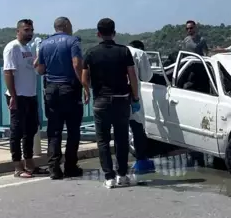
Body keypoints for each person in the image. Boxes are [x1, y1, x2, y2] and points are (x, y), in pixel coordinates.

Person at [82, 18, 140, 188]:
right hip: (121, 100)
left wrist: (87, 91)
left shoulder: (91, 53)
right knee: (121, 139)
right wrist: (135, 97)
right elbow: (132, 76)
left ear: (98, 34)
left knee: (103, 140)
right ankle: (122, 174)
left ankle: (109, 177)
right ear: (114, 33)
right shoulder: (124, 51)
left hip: (101, 101)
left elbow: (84, 77)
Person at [35, 17, 85, 180]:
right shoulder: (73, 42)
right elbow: (77, 64)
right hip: (69, 89)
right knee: (73, 130)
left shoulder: (44, 43)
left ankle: (54, 168)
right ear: (65, 26)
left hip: (51, 89)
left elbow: (40, 69)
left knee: (54, 130)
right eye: (70, 25)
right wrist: (84, 85)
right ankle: (70, 166)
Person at [3, 19, 39, 178]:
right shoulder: (13, 48)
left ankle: (29, 164)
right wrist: (13, 96)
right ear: (18, 31)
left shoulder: (28, 48)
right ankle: (18, 167)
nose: (29, 33)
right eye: (26, 30)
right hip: (18, 96)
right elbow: (8, 72)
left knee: (30, 130)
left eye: (31, 30)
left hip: (30, 95)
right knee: (17, 131)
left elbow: (34, 67)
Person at [128, 40, 156, 174]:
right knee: (138, 127)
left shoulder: (119, 51)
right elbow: (147, 76)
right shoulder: (140, 54)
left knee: (119, 129)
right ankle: (141, 160)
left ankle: (119, 165)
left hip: (114, 97)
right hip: (134, 96)